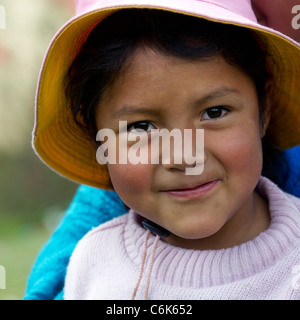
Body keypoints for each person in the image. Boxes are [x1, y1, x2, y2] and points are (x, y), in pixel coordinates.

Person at [24, 0, 300, 300]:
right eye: (141, 127)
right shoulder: (94, 266)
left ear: (265, 108)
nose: (184, 157)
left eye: (215, 112)